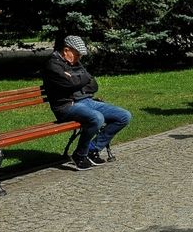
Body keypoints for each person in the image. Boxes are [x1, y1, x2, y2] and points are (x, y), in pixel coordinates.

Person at [42, 35, 132, 169]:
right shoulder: (53, 65)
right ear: (66, 50)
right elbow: (72, 83)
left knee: (124, 116)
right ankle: (79, 154)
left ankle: (92, 149)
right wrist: (78, 79)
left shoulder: (74, 63)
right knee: (97, 117)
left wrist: (76, 79)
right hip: (67, 106)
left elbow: (92, 84)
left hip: (86, 101)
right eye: (77, 55)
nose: (79, 59)